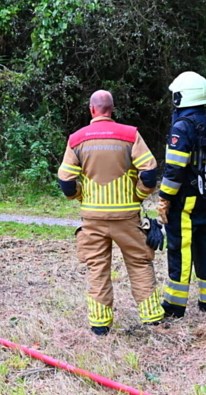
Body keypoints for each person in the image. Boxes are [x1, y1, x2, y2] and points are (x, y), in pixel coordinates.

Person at [57, 90, 164, 335]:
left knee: (97, 268)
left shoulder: (76, 139)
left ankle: (100, 324)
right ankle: (152, 318)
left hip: (92, 217)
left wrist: (79, 196)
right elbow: (149, 172)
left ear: (92, 109)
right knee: (139, 264)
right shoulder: (130, 134)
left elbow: (65, 180)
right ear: (112, 109)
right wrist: (137, 196)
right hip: (127, 216)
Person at [158, 71, 206, 318]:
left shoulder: (183, 126)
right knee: (205, 244)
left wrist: (164, 198)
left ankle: (174, 306)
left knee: (180, 247)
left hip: (184, 199)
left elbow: (175, 168)